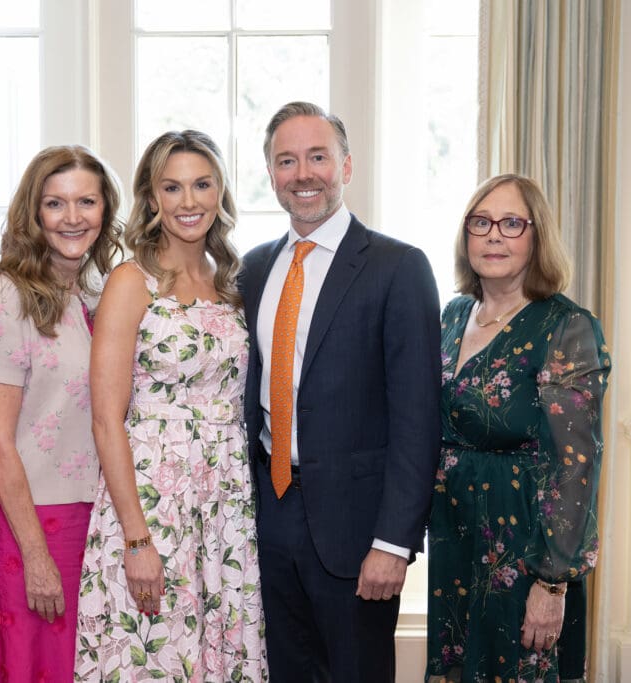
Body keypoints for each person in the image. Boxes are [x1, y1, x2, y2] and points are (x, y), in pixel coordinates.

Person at [239, 101, 442, 682]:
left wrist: (394, 543)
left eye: (318, 157)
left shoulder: (398, 267)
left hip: (357, 531)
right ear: (272, 174)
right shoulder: (252, 270)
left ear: (346, 167)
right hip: (266, 517)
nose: (303, 174)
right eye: (287, 160)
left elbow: (417, 419)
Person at [74, 130, 268, 681]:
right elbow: (106, 419)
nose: (189, 202)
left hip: (226, 506)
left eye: (202, 184)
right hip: (153, 503)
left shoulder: (233, 283)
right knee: (155, 655)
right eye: (173, 187)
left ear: (221, 192)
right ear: (152, 197)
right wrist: (137, 539)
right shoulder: (131, 282)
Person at [425, 173, 611, 683]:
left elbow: (576, 465)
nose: (493, 236)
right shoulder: (453, 314)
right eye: (480, 222)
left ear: (537, 236)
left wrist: (552, 585)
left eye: (511, 223)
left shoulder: (565, 326)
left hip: (525, 546)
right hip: (455, 534)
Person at [0, 145, 122, 682]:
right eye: (55, 203)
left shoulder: (104, 291)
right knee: (38, 667)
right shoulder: (6, 294)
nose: (72, 217)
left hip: (99, 515)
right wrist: (36, 554)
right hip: (34, 518)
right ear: (34, 213)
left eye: (86, 201)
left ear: (106, 210)